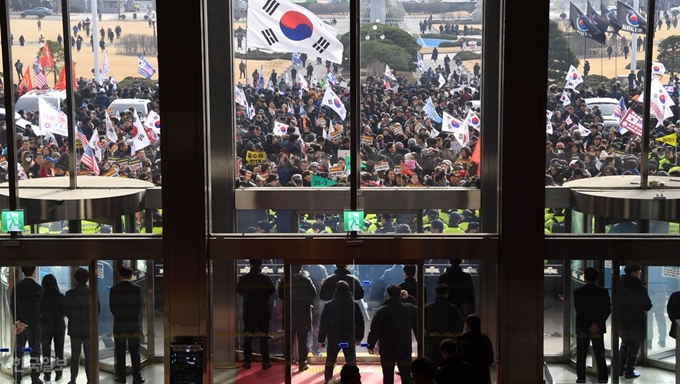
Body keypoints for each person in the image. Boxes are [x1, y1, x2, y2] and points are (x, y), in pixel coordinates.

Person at [367, 284, 417, 384]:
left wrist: (370, 345)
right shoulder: (409, 308)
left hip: (387, 349)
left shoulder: (382, 310)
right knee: (407, 375)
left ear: (388, 295)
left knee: (388, 376)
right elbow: (418, 311)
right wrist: (409, 298)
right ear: (400, 295)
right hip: (404, 347)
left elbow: (375, 330)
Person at [318, 281, 364, 384]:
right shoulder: (354, 304)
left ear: (336, 290)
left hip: (334, 337)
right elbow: (360, 322)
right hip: (349, 337)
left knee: (330, 361)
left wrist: (321, 339)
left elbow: (323, 324)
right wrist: (359, 337)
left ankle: (328, 380)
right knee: (351, 361)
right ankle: (353, 381)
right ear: (348, 290)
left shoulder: (329, 304)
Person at [236, 259, 275, 370]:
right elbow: (272, 291)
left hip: (249, 311)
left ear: (250, 264)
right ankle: (266, 361)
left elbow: (239, 290)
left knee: (248, 337)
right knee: (263, 337)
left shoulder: (244, 279)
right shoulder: (265, 278)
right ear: (261, 265)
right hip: (263, 310)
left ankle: (247, 361)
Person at [573, 267, 610, 383]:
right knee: (600, 354)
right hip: (597, 328)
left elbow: (579, 310)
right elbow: (607, 309)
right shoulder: (603, 291)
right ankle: (603, 377)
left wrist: (588, 325)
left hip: (582, 327)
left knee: (581, 354)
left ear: (585, 278)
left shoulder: (578, 292)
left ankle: (581, 378)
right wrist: (596, 324)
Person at [276, 265, 317, 371]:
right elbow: (313, 293)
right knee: (303, 340)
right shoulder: (306, 279)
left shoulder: (284, 280)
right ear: (301, 268)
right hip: (303, 312)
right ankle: (302, 362)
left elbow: (281, 295)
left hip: (290, 311)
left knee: (288, 339)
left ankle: (288, 363)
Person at [109, 267, 144, 384]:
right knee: (135, 351)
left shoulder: (114, 289)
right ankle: (137, 377)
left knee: (120, 351)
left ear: (120, 275)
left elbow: (112, 307)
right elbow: (139, 307)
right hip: (133, 324)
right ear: (130, 276)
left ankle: (121, 376)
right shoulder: (136, 289)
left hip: (119, 324)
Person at [64, 268, 98, 384]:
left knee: (75, 356)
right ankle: (90, 380)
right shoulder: (92, 293)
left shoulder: (69, 294)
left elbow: (66, 311)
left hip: (75, 329)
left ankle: (73, 380)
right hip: (89, 329)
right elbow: (97, 310)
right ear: (88, 279)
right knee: (89, 357)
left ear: (75, 278)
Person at [618, 265, 652, 379]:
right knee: (633, 347)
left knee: (624, 344)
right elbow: (647, 305)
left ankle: (619, 369)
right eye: (638, 272)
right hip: (636, 323)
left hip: (623, 321)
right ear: (633, 273)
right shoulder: (639, 288)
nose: (639, 274)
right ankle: (629, 371)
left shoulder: (620, 285)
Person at [11, 267, 44, 384]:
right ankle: (35, 378)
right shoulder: (39, 288)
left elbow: (13, 304)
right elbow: (34, 309)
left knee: (18, 352)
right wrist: (26, 324)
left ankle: (17, 377)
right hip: (33, 325)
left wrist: (18, 322)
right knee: (34, 351)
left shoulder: (17, 286)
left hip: (19, 326)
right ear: (34, 271)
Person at [425, 284, 463, 366]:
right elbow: (459, 324)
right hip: (449, 341)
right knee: (449, 366)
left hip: (432, 341)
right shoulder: (453, 308)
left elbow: (422, 325)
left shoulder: (428, 308)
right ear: (447, 294)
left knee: (432, 366)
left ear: (436, 293)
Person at [40, 274, 66, 382]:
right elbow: (64, 312)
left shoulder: (41, 297)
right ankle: (59, 373)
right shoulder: (60, 296)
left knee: (46, 350)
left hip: (45, 326)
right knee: (59, 350)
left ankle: (47, 374)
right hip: (59, 325)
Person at [457, 315, 494, 384]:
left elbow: (461, 362)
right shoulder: (485, 339)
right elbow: (490, 359)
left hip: (468, 377)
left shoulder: (465, 343)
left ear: (467, 325)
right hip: (483, 376)